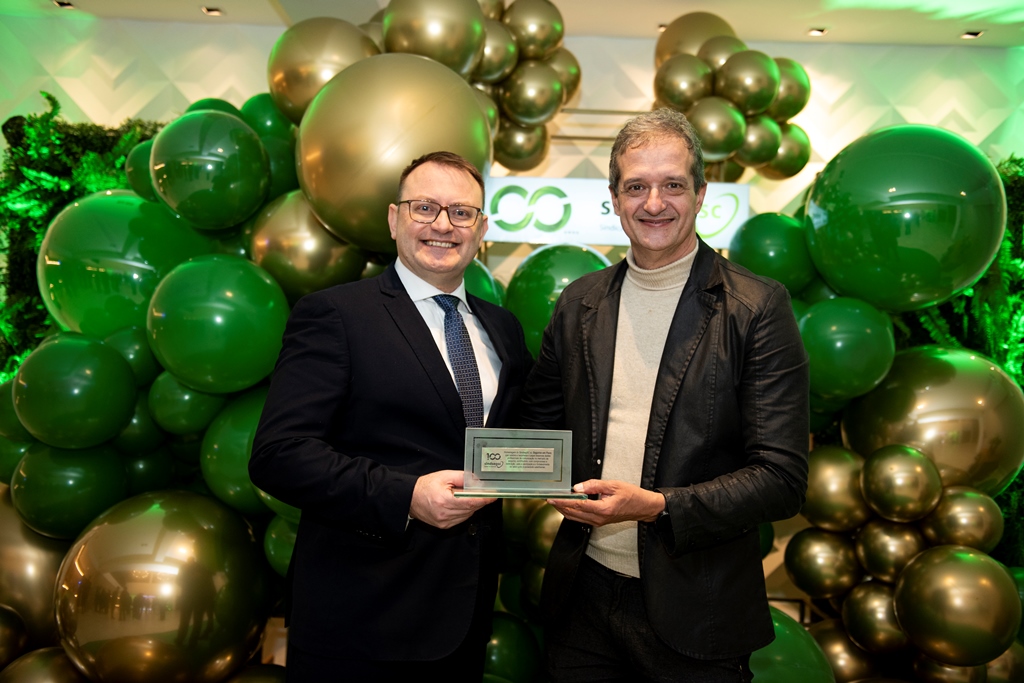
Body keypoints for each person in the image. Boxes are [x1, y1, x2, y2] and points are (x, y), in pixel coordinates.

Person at [520, 108, 809, 682]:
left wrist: (657, 506)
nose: (654, 203)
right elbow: (539, 429)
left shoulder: (756, 308)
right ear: (614, 198)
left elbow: (781, 479)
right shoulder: (579, 303)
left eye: (673, 185)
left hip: (698, 610)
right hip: (582, 601)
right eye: (636, 187)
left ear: (700, 195)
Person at [250, 151, 532, 681]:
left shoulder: (503, 329)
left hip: (465, 623)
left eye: (462, 212)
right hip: (361, 626)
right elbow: (279, 455)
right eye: (425, 207)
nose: (443, 225)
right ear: (393, 218)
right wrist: (406, 497)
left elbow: (514, 442)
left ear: (481, 229)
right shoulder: (336, 314)